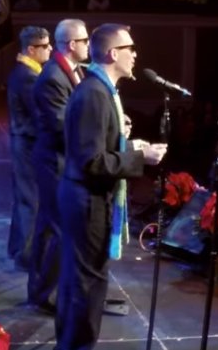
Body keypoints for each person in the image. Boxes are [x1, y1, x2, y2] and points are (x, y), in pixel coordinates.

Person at [56, 23, 167, 350]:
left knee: (83, 283)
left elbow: (99, 149)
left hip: (87, 199)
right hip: (87, 202)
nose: (135, 54)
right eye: (129, 47)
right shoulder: (94, 93)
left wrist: (130, 147)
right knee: (86, 287)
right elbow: (91, 160)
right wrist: (139, 158)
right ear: (112, 53)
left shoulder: (101, 91)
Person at [28, 19, 89, 313]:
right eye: (86, 40)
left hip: (59, 159)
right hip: (54, 161)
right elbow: (63, 124)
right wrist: (98, 129)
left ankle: (40, 289)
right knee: (56, 229)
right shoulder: (53, 76)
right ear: (72, 44)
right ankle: (46, 293)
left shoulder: (73, 72)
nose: (90, 45)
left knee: (48, 228)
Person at [6, 25, 51, 271]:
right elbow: (39, 114)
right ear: (32, 49)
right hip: (27, 145)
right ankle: (26, 256)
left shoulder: (25, 72)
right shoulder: (28, 77)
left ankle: (17, 249)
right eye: (45, 46)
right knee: (30, 201)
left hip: (23, 143)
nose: (51, 49)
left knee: (25, 199)